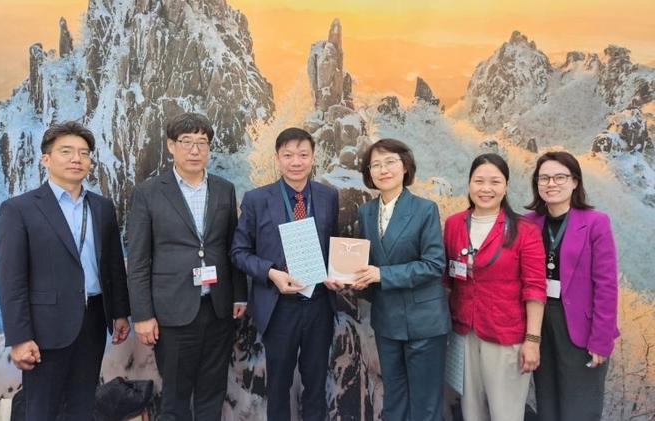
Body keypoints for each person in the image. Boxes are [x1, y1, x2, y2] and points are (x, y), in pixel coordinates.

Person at [0, 121, 131, 421]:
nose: (76, 159)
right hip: (45, 329)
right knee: (41, 410)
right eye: (66, 151)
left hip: (93, 320)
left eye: (84, 153)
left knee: (83, 407)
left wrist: (120, 312)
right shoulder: (20, 209)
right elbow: (11, 279)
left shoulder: (101, 207)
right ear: (46, 159)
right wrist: (19, 337)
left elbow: (112, 265)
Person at [127, 113, 247, 421]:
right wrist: (142, 315)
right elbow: (139, 259)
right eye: (187, 143)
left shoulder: (224, 189)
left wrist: (239, 295)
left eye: (202, 143)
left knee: (212, 393)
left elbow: (231, 246)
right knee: (176, 398)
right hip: (173, 312)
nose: (195, 150)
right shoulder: (149, 192)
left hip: (218, 309)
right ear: (171, 146)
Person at [230, 127, 339, 421]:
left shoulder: (328, 196)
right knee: (278, 386)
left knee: (316, 385)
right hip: (279, 307)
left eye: (303, 155)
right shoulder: (256, 199)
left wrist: (336, 272)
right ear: (277, 158)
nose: (296, 162)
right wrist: (271, 273)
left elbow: (334, 245)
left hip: (318, 305)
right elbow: (238, 252)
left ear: (313, 158)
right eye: (288, 155)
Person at [350, 138, 450, 421]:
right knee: (393, 399)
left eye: (390, 162)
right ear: (369, 173)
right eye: (376, 164)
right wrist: (356, 277)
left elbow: (433, 265)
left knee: (426, 404)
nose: (383, 170)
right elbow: (370, 261)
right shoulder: (366, 212)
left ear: (405, 166)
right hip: (387, 319)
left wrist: (381, 274)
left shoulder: (425, 209)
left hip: (424, 321)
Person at [443, 153, 546, 421]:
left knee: (506, 413)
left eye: (495, 181)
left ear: (506, 186)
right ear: (468, 184)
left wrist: (532, 341)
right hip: (463, 331)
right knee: (470, 410)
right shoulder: (454, 224)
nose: (486, 188)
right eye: (479, 181)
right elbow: (446, 278)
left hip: (506, 334)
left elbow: (535, 288)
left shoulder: (524, 229)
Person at [524, 151, 618, 421]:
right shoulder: (529, 223)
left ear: (575, 181)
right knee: (547, 403)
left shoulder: (595, 223)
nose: (551, 184)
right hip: (539, 322)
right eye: (544, 178)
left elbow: (607, 285)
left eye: (560, 177)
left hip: (580, 327)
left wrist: (601, 340)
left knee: (579, 408)